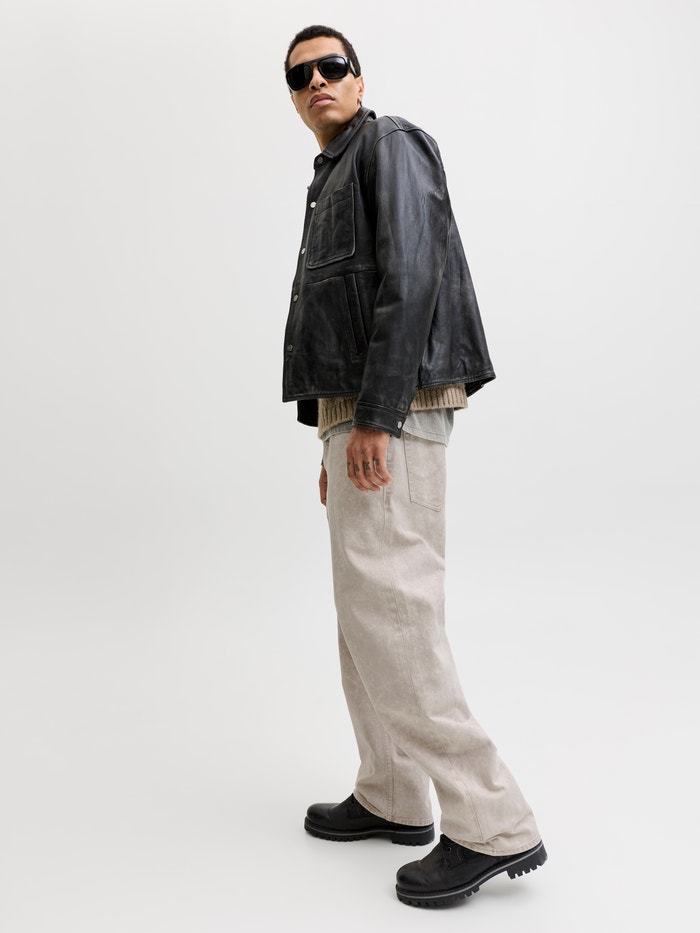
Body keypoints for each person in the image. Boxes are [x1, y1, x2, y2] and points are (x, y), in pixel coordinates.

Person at [282, 24, 547, 909]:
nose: (317, 81)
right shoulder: (332, 172)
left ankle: (492, 819)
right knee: (368, 615)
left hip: (389, 406)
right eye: (299, 76)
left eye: (332, 67)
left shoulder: (387, 143)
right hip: (359, 413)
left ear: (360, 80)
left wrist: (378, 416)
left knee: (394, 611)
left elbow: (414, 273)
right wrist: (335, 429)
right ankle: (392, 789)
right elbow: (343, 310)